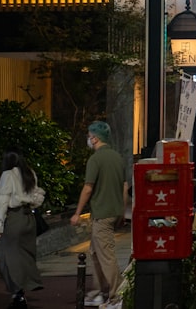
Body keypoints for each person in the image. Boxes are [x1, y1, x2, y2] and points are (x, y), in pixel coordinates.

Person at [71, 121, 128, 307]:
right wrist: (122, 210)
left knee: (106, 255)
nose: (88, 139)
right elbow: (124, 186)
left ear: (94, 138)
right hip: (113, 212)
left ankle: (117, 295)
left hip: (101, 214)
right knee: (96, 253)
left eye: (89, 136)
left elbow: (88, 188)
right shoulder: (117, 157)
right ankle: (98, 291)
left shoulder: (95, 160)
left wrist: (77, 213)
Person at [0, 150, 45, 308]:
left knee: (6, 258)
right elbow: (37, 196)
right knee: (24, 256)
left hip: (15, 218)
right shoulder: (30, 173)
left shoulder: (7, 175)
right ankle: (25, 287)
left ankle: (18, 294)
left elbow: (2, 201)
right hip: (29, 218)